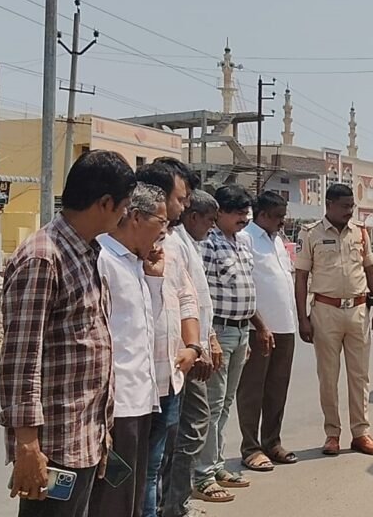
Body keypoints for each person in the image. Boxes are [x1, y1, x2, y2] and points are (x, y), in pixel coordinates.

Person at [0, 150, 135, 517]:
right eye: (123, 206)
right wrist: (28, 446)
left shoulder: (87, 252)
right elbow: (21, 360)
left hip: (85, 436)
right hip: (55, 446)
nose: (125, 216)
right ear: (105, 203)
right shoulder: (44, 257)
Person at [89, 183, 170, 517]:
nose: (164, 232)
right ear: (135, 217)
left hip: (141, 399)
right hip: (116, 404)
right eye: (161, 222)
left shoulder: (136, 262)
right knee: (112, 501)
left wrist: (153, 279)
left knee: (131, 499)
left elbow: (144, 327)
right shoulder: (103, 260)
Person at [193, 185, 273, 499]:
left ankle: (216, 465)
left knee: (225, 404)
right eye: (238, 213)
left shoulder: (241, 243)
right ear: (220, 213)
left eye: (246, 212)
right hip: (219, 331)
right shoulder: (208, 244)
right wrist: (209, 337)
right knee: (212, 406)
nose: (244, 218)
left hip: (240, 332)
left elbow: (246, 289)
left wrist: (254, 329)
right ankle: (202, 475)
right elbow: (199, 293)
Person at [295, 183, 373, 456]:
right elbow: (301, 278)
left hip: (358, 311)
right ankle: (332, 434)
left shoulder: (360, 232)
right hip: (325, 312)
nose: (349, 211)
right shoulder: (310, 233)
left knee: (360, 377)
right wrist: (303, 319)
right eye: (345, 206)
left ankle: (361, 433)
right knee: (328, 377)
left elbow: (371, 271)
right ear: (329, 205)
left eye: (351, 206)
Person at [134, 163, 202, 517]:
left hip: (170, 375)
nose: (184, 206)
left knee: (158, 462)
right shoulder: (118, 250)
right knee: (135, 470)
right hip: (136, 382)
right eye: (180, 198)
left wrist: (193, 347)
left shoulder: (173, 245)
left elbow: (187, 297)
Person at [162, 189, 228, 512]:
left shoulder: (189, 244)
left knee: (193, 425)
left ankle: (175, 502)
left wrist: (208, 338)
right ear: (192, 217)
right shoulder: (173, 244)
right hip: (183, 355)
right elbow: (178, 305)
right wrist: (195, 347)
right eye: (209, 221)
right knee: (186, 429)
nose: (212, 227)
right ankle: (172, 504)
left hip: (195, 347)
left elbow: (197, 300)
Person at [236, 191, 299, 470]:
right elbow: (244, 285)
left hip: (285, 326)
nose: (282, 222)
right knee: (253, 390)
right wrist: (259, 325)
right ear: (262, 214)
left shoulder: (277, 240)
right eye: (278, 216)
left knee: (277, 389)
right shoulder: (246, 239)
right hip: (259, 329)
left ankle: (272, 442)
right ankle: (251, 448)